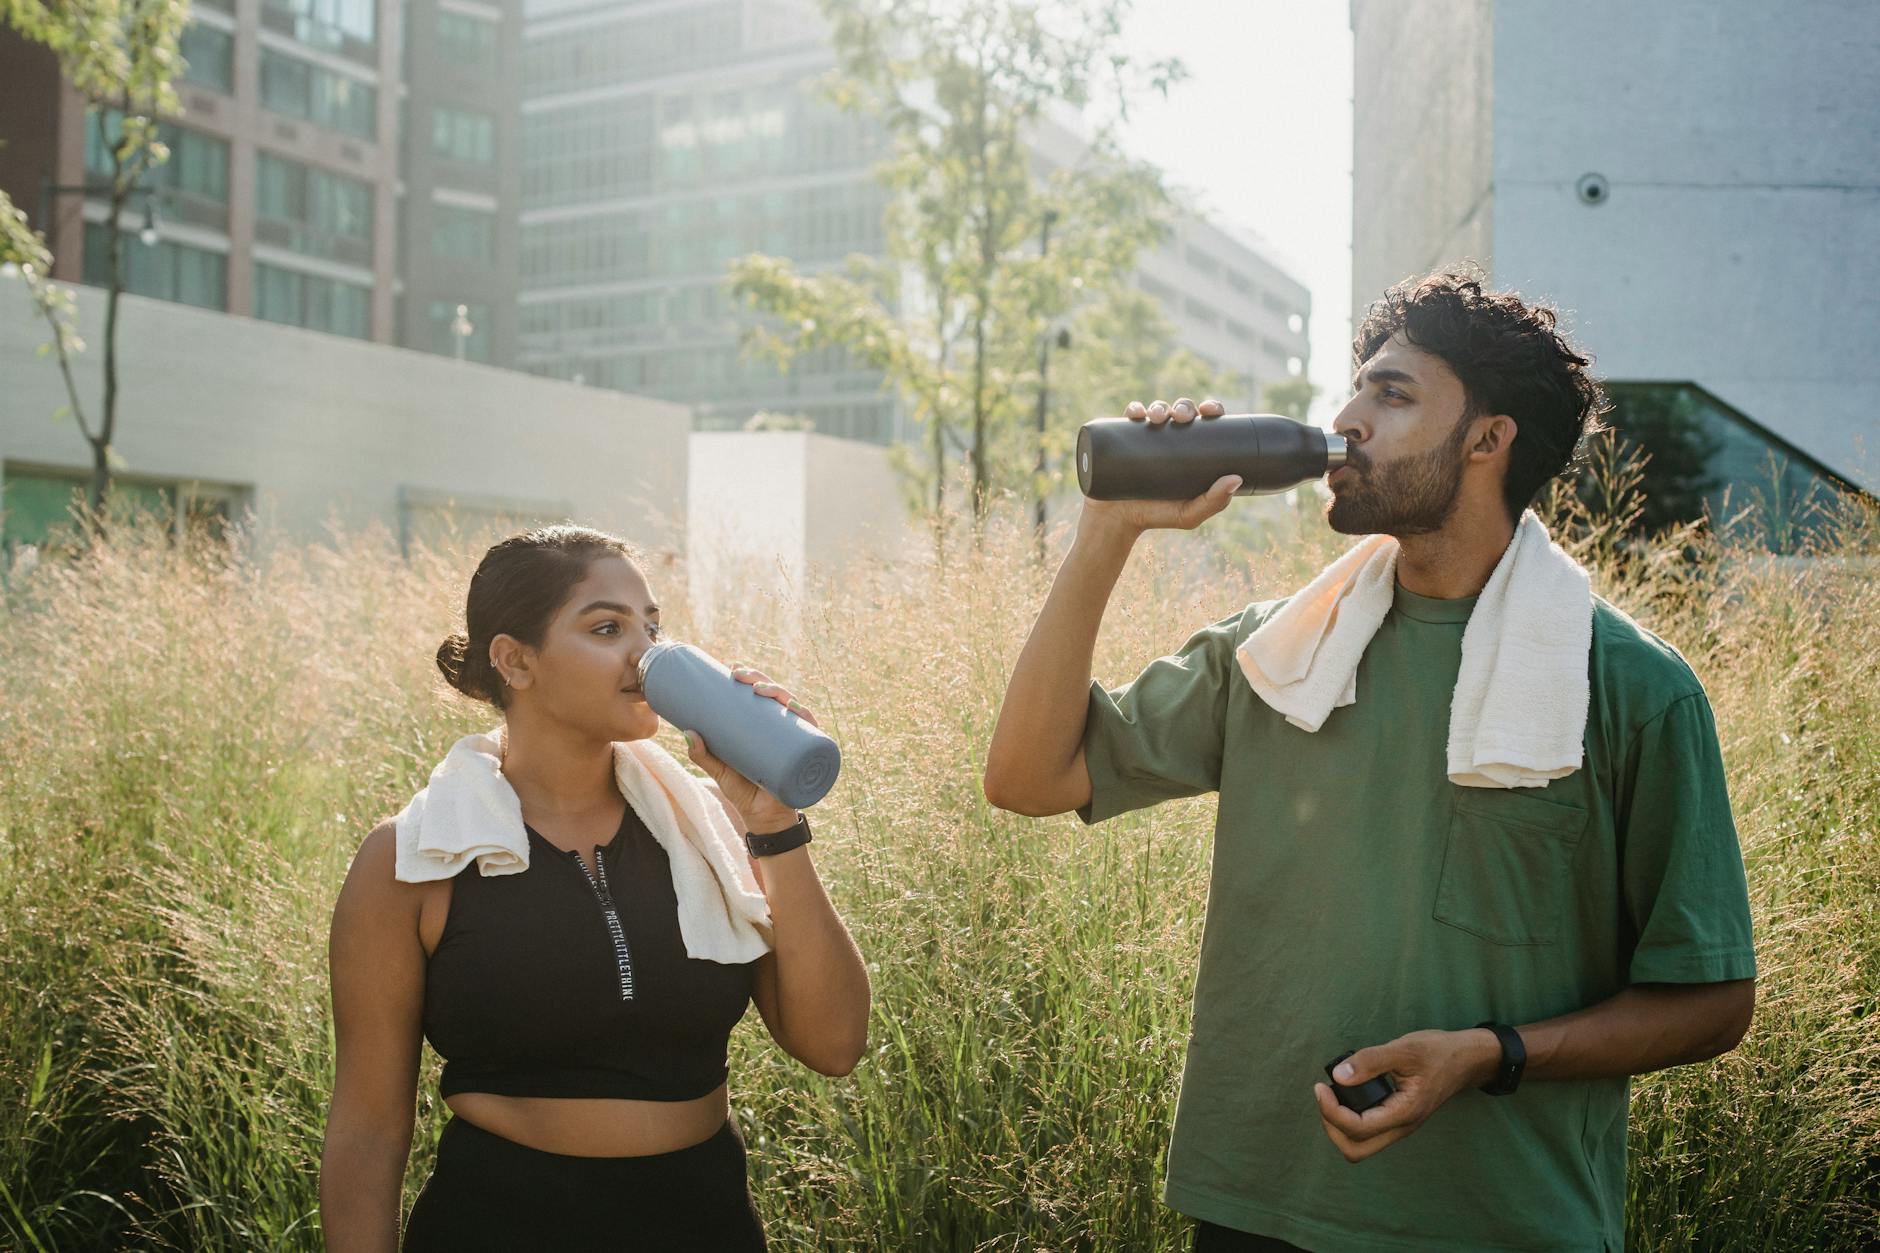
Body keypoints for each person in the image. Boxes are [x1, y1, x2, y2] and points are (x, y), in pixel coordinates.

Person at [983, 269, 1757, 1252]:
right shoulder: (1271, 655)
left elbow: (1710, 1001)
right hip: (1252, 1211)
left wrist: (1490, 1053)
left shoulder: (1634, 691)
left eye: (1389, 394)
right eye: (1354, 387)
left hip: (1501, 1227)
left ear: (1486, 439)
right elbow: (1023, 776)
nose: (1344, 418)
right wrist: (1108, 527)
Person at [320, 524, 870, 1251]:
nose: (644, 653)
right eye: (607, 627)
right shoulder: (416, 859)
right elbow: (367, 1129)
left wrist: (772, 820)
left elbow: (834, 1043)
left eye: (653, 626)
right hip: (498, 1224)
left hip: (704, 1224)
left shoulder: (710, 826)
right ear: (515, 661)